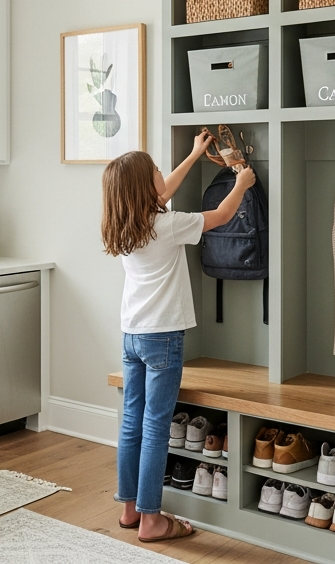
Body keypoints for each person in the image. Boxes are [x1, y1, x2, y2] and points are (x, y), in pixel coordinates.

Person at [101, 130, 256, 542]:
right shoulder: (168, 225)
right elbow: (221, 216)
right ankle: (153, 519)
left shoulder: (124, 225)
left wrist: (192, 155)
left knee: (132, 422)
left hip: (131, 333)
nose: (161, 175)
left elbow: (162, 190)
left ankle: (130, 508)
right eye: (156, 171)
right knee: (156, 425)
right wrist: (241, 183)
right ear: (145, 188)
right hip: (163, 337)